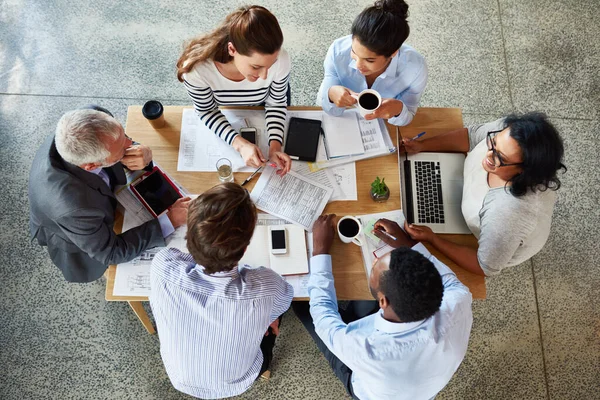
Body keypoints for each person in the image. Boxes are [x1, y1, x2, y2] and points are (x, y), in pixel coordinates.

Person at [293, 215, 473, 400]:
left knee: (300, 304)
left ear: (383, 302)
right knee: (358, 306)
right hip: (421, 388)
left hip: (367, 388)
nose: (375, 261)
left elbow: (323, 316)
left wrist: (320, 251)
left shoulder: (367, 351)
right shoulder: (459, 301)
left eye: (376, 266)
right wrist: (408, 245)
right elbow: (450, 282)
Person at [150, 183, 294, 399]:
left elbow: (180, 258)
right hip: (238, 381)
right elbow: (285, 298)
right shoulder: (266, 285)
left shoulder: (162, 265)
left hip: (179, 377)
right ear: (245, 249)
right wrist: (267, 319)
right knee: (275, 312)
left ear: (189, 238)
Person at [29, 106, 190, 283]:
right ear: (91, 166)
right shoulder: (74, 208)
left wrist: (141, 151)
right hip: (76, 231)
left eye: (125, 138)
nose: (130, 144)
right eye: (123, 149)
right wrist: (171, 220)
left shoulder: (93, 116)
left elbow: (122, 143)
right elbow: (111, 252)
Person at [401, 112, 566, 276]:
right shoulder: (509, 133)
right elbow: (472, 136)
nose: (488, 154)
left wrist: (433, 239)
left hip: (497, 236)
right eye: (493, 143)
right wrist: (423, 145)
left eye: (499, 157)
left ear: (525, 171)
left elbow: (485, 266)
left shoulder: (509, 214)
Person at [177, 5, 292, 174]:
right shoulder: (197, 71)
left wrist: (275, 145)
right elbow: (206, 110)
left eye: (270, 65)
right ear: (232, 49)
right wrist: (240, 144)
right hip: (228, 108)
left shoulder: (281, 59)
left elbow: (276, 103)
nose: (265, 76)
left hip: (264, 103)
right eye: (256, 66)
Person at [317, 0, 427, 126]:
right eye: (354, 52)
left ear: (393, 53)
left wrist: (398, 109)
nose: (358, 65)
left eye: (369, 60)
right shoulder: (337, 51)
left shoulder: (416, 69)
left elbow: (408, 115)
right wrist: (331, 95)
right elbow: (324, 108)